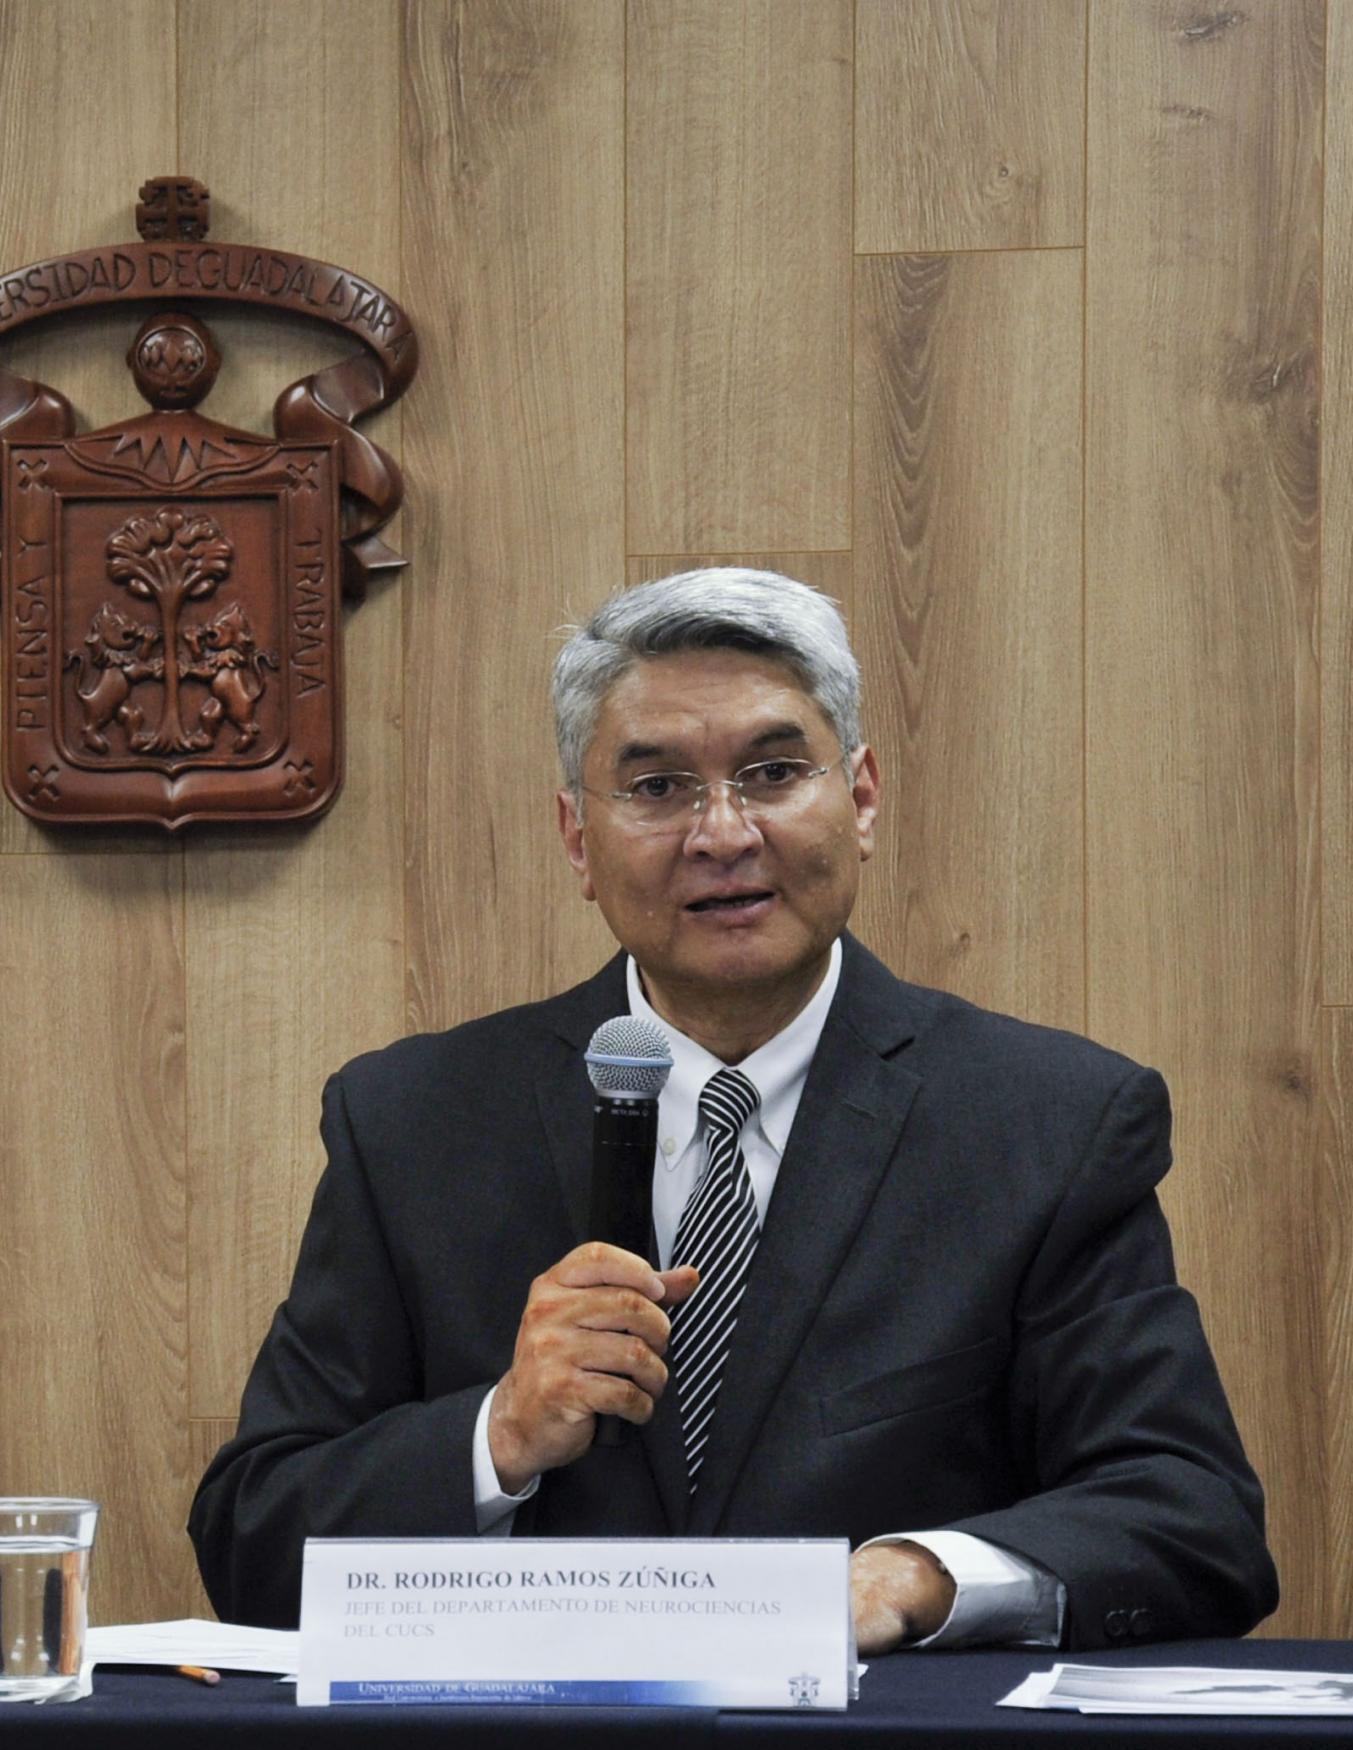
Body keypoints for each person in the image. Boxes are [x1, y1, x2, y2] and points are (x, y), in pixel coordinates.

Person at [189, 568, 1276, 1651]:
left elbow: (1191, 1521)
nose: (722, 833)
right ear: (577, 837)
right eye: (658, 788)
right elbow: (254, 1538)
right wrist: (499, 1433)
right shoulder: (415, 1123)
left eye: (771, 772)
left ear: (860, 797)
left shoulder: (1047, 1123)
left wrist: (918, 1576)